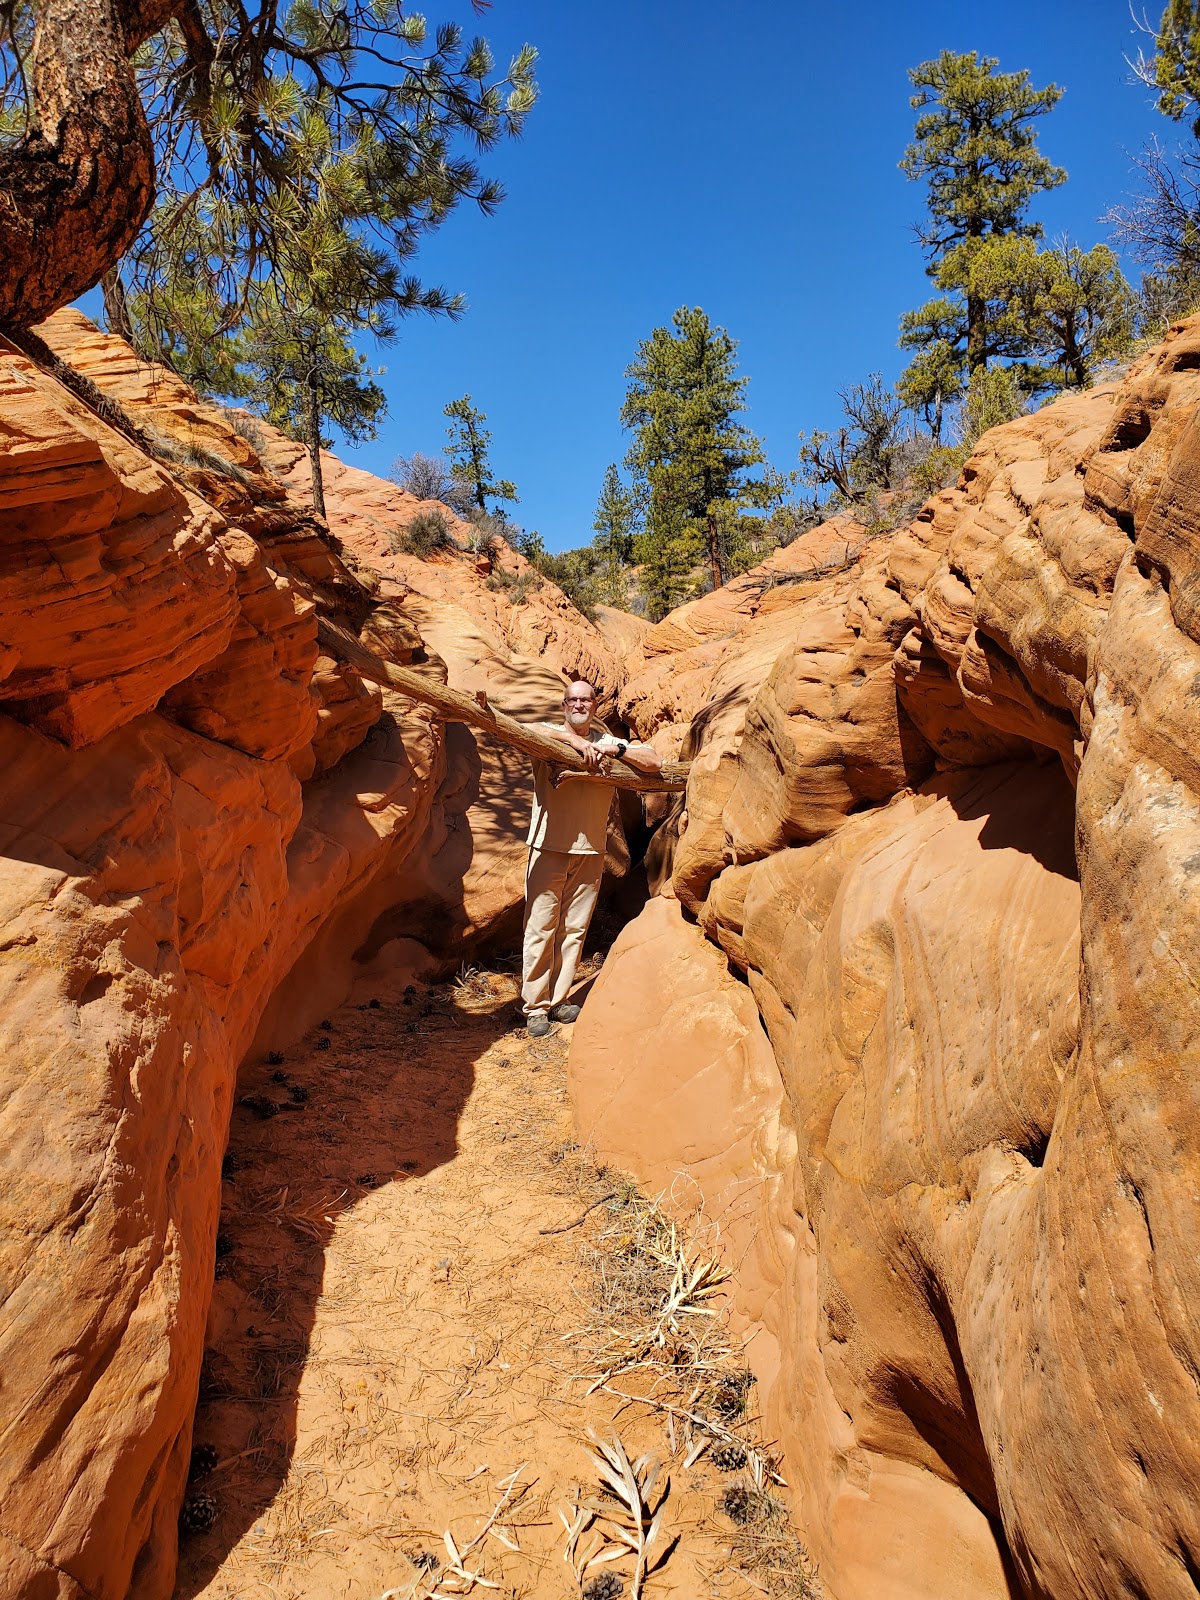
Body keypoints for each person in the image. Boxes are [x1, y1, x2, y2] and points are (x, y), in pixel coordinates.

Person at [521, 679, 661, 1037]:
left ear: (595, 705)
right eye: (572, 699)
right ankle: (535, 1007)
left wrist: (617, 751)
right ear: (564, 704)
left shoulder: (610, 743)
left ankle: (558, 1000)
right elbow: (524, 729)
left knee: (574, 929)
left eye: (585, 700)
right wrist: (573, 741)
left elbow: (653, 761)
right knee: (541, 927)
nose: (579, 705)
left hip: (591, 849)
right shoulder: (550, 733)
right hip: (548, 847)